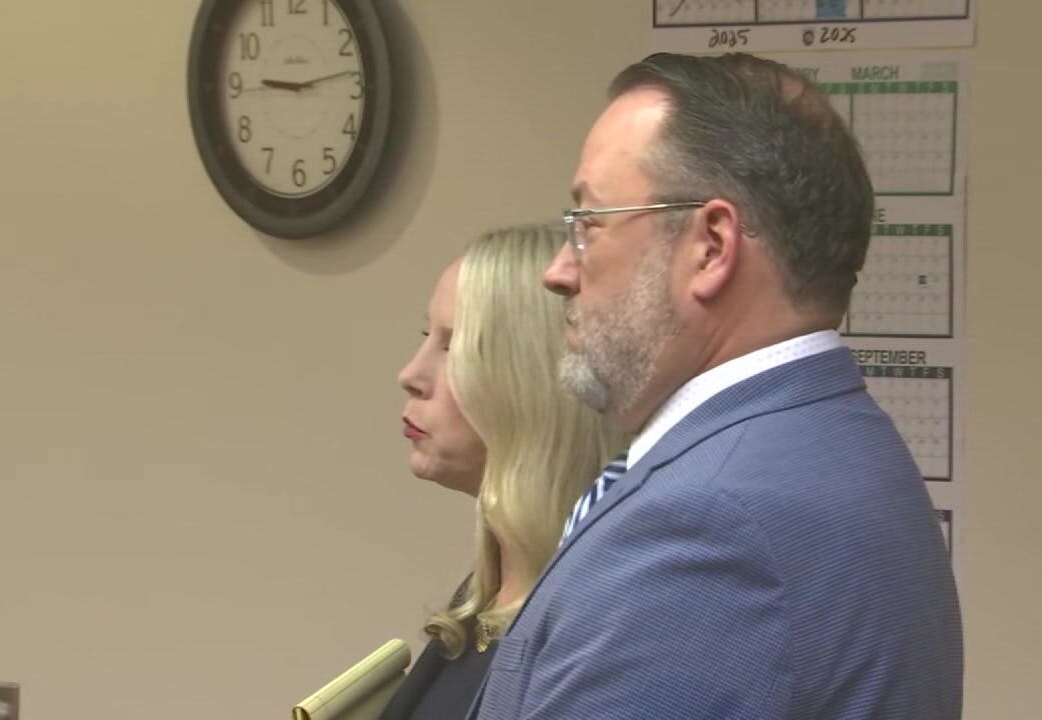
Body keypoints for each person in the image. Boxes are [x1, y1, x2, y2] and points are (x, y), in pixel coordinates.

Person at [470, 52, 963, 719]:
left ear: (711, 246)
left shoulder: (707, 526)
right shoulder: (839, 443)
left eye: (588, 225)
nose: (557, 271)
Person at [383, 223, 626, 720]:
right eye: (427, 337)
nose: (410, 375)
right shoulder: (483, 596)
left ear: (533, 378)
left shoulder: (592, 623)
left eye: (453, 347)